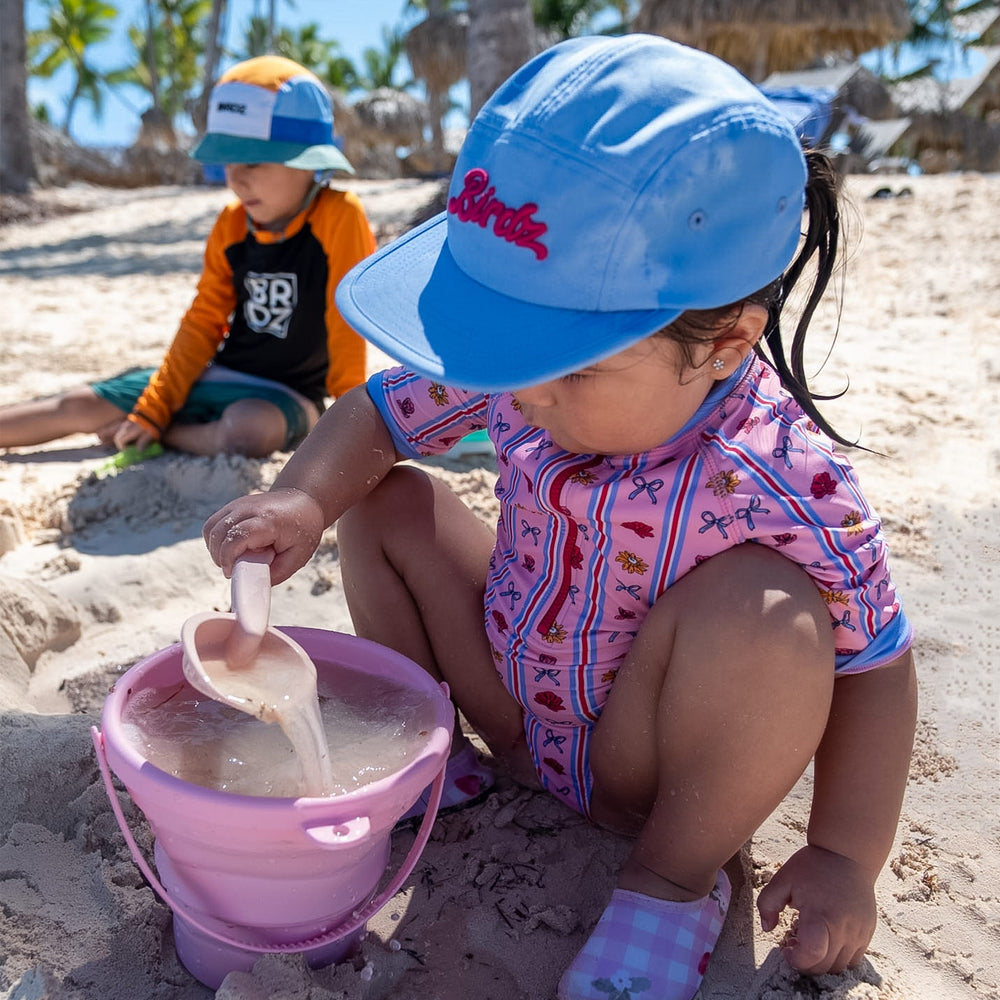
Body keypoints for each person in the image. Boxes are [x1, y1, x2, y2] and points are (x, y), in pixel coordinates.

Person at [202, 35, 917, 1000]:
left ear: (724, 340)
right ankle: (432, 755)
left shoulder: (781, 476)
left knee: (768, 612)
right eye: (511, 351)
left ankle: (671, 885)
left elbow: (876, 663)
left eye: (571, 367)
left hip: (646, 766)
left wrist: (843, 855)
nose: (525, 392)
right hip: (507, 703)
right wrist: (305, 497)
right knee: (386, 501)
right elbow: (378, 412)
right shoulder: (523, 367)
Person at [0, 55, 376, 459]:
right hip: (220, 374)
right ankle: (154, 427)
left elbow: (348, 321)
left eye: (253, 161)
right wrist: (154, 409)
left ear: (308, 162)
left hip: (290, 396)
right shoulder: (232, 224)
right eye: (228, 160)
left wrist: (349, 418)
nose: (236, 178)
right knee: (78, 405)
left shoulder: (339, 215)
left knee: (248, 433)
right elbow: (203, 322)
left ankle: (168, 436)